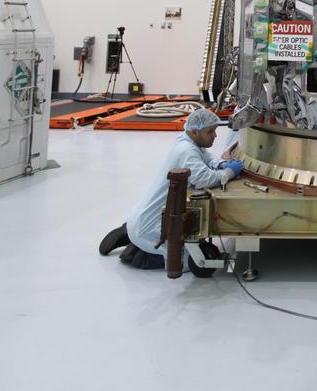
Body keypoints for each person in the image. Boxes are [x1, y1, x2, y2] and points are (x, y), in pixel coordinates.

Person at [98, 107, 243, 276]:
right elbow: (204, 179)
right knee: (188, 261)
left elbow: (208, 158)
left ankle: (131, 232)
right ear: (195, 131)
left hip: (145, 216)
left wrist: (221, 164)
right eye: (210, 132)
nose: (215, 136)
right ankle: (136, 252)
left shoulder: (188, 141)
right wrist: (229, 173)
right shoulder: (186, 151)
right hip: (150, 227)